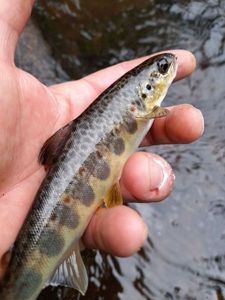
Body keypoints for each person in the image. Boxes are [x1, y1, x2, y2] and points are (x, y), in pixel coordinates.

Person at [0, 1, 204, 277]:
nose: (169, 68)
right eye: (164, 68)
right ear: (145, 93)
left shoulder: (143, 108)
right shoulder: (143, 109)